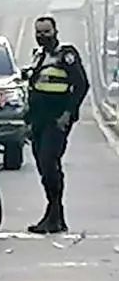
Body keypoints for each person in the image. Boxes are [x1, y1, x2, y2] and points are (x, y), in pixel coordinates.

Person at [25, 16, 89, 234]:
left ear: (55, 31)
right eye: (39, 32)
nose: (43, 36)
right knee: (44, 168)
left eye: (46, 32)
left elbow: (81, 85)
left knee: (49, 162)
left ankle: (54, 215)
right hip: (38, 120)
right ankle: (55, 216)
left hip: (56, 119)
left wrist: (68, 114)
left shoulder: (66, 55)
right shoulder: (39, 56)